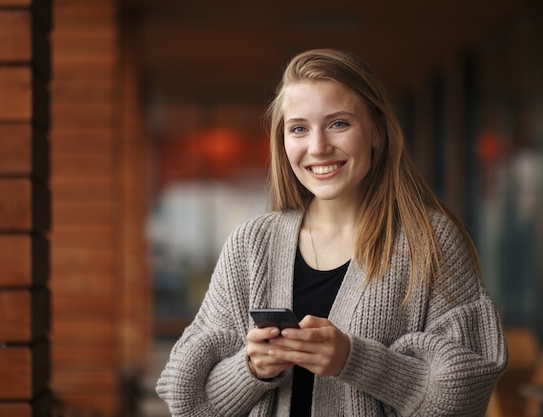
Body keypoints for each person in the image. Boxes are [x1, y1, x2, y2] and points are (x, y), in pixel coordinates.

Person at [156, 48, 507, 417]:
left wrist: (354, 361)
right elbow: (187, 399)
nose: (318, 147)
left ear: (376, 131)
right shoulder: (251, 244)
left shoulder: (430, 242)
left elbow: (465, 395)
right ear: (283, 141)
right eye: (299, 129)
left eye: (339, 124)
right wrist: (252, 369)